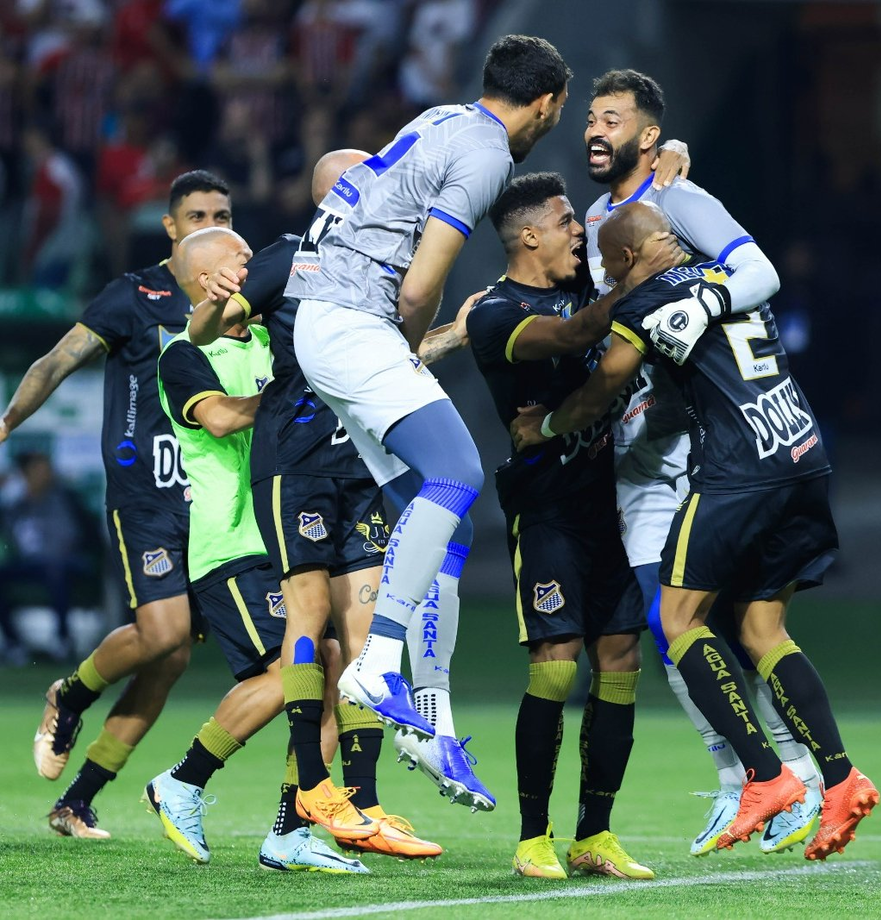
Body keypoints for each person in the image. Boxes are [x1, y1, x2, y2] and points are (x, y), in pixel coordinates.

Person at [511, 202, 880, 863]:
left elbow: (604, 388)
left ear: (624, 259)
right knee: (764, 630)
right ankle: (841, 777)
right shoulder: (727, 279)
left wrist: (546, 427)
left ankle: (763, 779)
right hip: (802, 451)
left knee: (677, 619)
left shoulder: (644, 299)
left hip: (742, 471)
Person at [275, 34, 572, 746]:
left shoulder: (439, 119)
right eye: (559, 111)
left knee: (445, 519)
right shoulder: (488, 154)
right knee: (459, 473)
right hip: (353, 320)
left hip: (327, 318)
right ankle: (379, 665)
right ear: (547, 102)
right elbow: (418, 283)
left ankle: (430, 720)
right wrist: (407, 348)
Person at [185, 150, 474, 856]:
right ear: (336, 195)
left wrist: (456, 333)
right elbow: (209, 330)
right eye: (366, 178)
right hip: (296, 463)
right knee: (313, 618)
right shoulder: (290, 257)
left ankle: (361, 805)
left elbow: (389, 366)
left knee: (368, 631)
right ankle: (307, 788)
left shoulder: (387, 266)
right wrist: (213, 300)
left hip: (357, 469)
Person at [582, 68, 822, 855]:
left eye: (612, 119)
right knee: (680, 623)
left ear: (648, 136)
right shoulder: (595, 216)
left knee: (703, 620)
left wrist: (706, 300)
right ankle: (756, 778)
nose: (595, 130)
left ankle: (778, 774)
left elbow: (762, 273)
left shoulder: (680, 198)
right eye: (591, 117)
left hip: (701, 441)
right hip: (638, 446)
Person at [0, 169, 232, 838]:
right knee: (160, 634)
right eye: (195, 214)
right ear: (170, 226)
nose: (209, 224)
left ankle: (77, 800)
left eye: (220, 213)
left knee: (173, 661)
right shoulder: (136, 294)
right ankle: (68, 693)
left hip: (212, 505)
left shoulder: (243, 300)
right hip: (146, 498)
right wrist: (9, 421)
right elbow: (57, 359)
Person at [467, 172, 685, 880]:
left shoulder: (591, 289)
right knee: (556, 664)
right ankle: (534, 836)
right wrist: (634, 284)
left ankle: (596, 833)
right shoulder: (497, 313)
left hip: (609, 505)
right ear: (529, 235)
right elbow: (570, 335)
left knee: (620, 662)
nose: (577, 232)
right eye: (565, 222)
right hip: (547, 506)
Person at [144, 225, 370, 873]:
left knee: (327, 670)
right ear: (204, 278)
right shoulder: (182, 351)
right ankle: (183, 780)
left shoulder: (280, 338)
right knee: (295, 669)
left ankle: (291, 830)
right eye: (243, 257)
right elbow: (217, 417)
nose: (262, 263)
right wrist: (295, 396)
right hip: (232, 542)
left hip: (288, 531)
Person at [0, 451, 95, 663]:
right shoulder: (16, 505)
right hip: (33, 565)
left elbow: (75, 535)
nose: (44, 474)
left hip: (69, 562)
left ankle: (63, 640)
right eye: (37, 470)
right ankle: (13, 644)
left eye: (46, 469)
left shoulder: (63, 497)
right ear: (25, 474)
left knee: (55, 569)